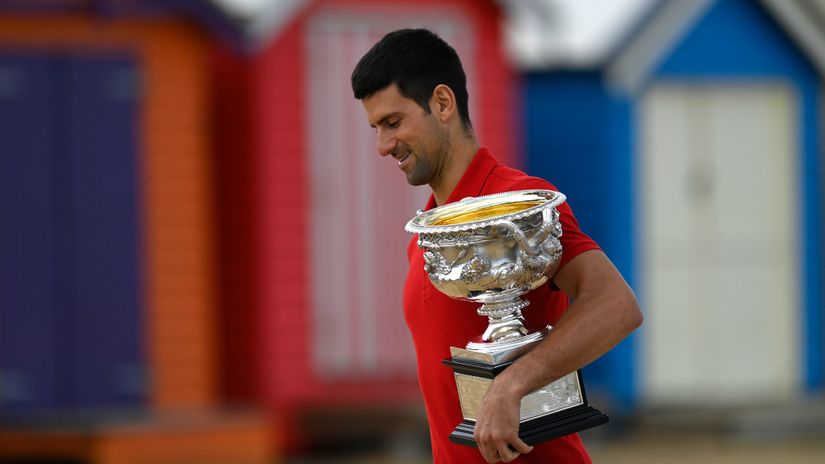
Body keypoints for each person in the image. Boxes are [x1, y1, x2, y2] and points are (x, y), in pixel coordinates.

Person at [350, 28, 642, 464]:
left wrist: (513, 383)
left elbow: (616, 305)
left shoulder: (522, 203)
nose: (383, 145)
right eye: (376, 128)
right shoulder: (427, 238)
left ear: (443, 103)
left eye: (394, 122)